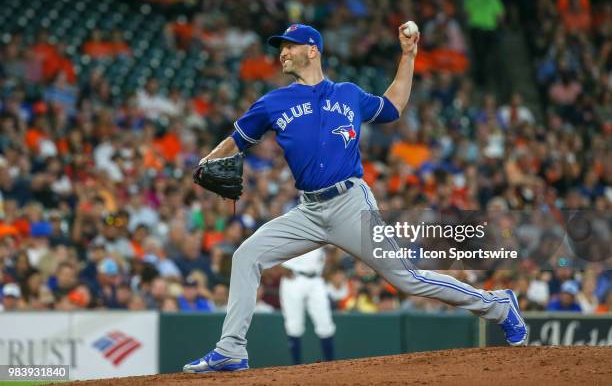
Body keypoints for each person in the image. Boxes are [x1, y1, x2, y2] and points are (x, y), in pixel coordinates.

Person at [183, 23, 526, 374]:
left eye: (290, 46)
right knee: (246, 256)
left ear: (312, 50)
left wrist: (408, 56)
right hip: (309, 210)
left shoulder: (348, 93)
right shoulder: (272, 102)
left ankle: (498, 305)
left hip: (351, 204)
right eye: (280, 47)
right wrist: (207, 161)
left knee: (407, 278)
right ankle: (231, 350)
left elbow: (393, 106)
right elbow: (236, 140)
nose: (282, 52)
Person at [279, 248, 335, 364]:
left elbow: (333, 249)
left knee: (325, 324)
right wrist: (280, 267)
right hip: (294, 278)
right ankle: (296, 367)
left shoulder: (322, 229)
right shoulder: (289, 229)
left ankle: (331, 366)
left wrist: (328, 262)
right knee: (294, 325)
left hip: (316, 279)